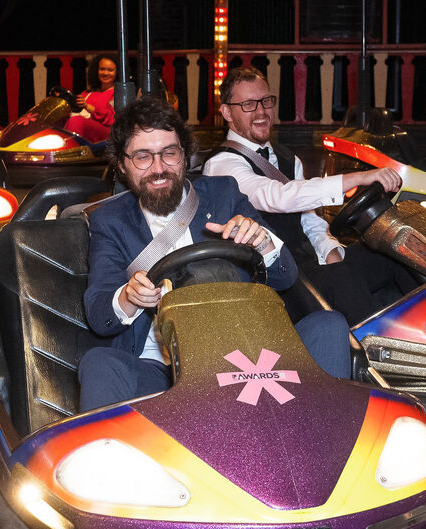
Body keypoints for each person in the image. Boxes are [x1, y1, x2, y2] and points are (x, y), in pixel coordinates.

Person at [79, 98, 350, 413]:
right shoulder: (110, 221)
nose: (159, 168)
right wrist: (130, 297)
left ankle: (328, 434)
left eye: (169, 153)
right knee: (100, 363)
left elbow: (286, 276)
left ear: (185, 156)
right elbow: (100, 314)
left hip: (250, 354)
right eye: (143, 157)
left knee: (329, 325)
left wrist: (262, 242)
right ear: (122, 165)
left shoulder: (223, 194)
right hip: (165, 372)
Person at [204, 67, 417, 324]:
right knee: (340, 280)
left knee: (393, 250)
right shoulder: (222, 165)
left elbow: (309, 219)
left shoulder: (287, 158)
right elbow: (278, 197)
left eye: (266, 101)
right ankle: (377, 343)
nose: (261, 112)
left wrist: (330, 250)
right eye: (248, 104)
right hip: (272, 280)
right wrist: (358, 178)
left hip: (309, 266)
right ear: (227, 112)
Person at [64, 55, 117, 143]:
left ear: (117, 72)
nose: (105, 73)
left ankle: (71, 147)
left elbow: (113, 119)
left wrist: (88, 107)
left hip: (106, 136)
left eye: (110, 70)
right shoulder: (87, 94)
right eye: (102, 69)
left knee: (76, 121)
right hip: (84, 131)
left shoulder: (117, 93)